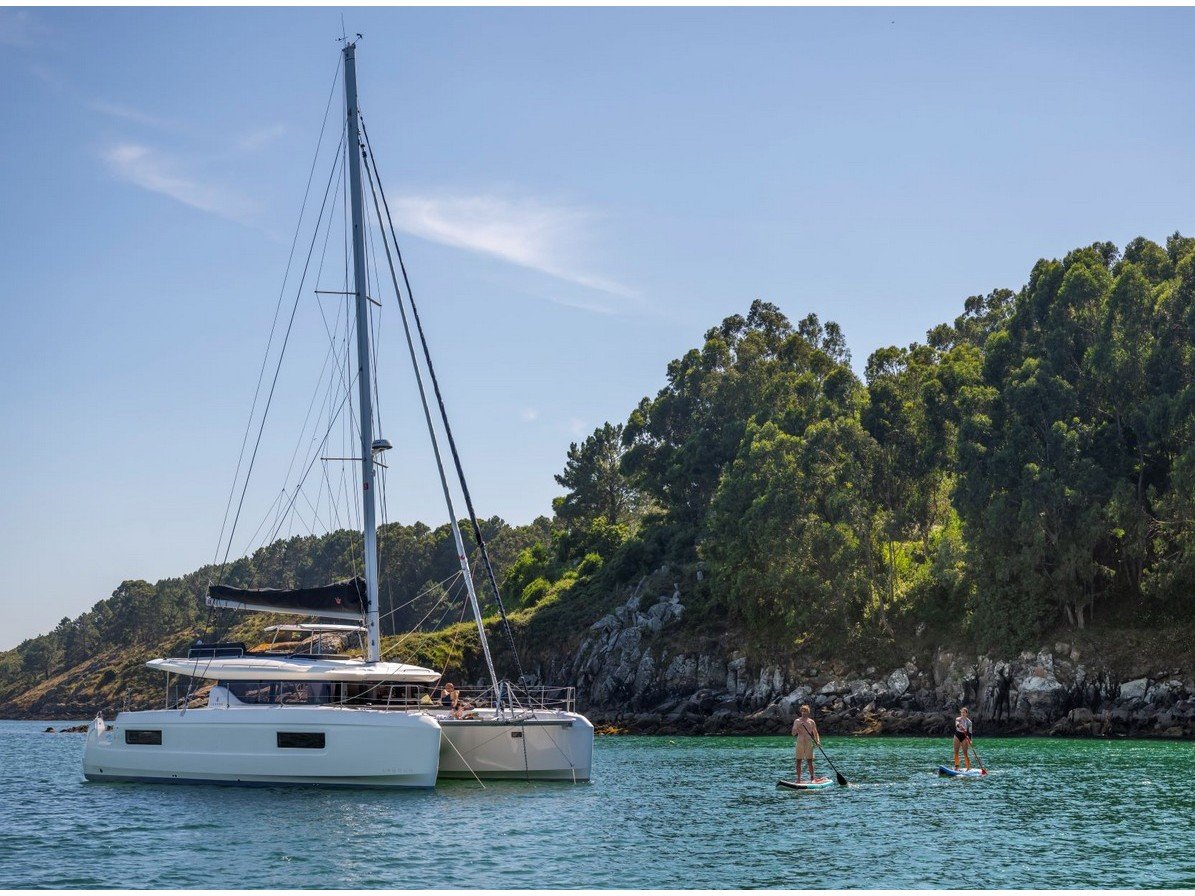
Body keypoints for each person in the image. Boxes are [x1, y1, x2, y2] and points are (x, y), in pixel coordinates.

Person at [791, 705, 820, 783]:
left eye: (805, 711)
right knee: (798, 761)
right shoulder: (797, 721)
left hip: (808, 741)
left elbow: (815, 733)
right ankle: (798, 779)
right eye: (802, 711)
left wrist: (817, 741)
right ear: (801, 712)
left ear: (808, 712)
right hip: (800, 742)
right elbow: (793, 733)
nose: (804, 713)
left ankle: (812, 777)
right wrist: (797, 728)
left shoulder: (811, 721)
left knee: (810, 761)